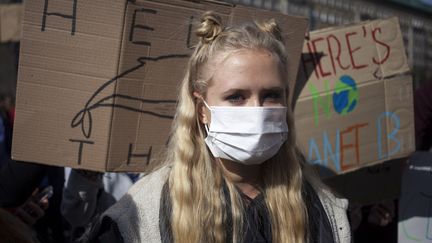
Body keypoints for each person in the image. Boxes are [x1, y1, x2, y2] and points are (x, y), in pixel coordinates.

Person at [83, 12, 351, 243]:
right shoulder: (142, 213)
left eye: (271, 95)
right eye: (236, 96)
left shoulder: (320, 209)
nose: (256, 110)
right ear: (202, 110)